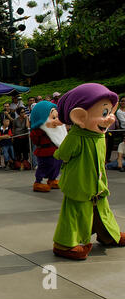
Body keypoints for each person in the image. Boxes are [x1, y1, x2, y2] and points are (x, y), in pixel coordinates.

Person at [53, 83, 125, 260]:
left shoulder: (99, 135)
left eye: (109, 113)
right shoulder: (77, 136)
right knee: (75, 212)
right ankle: (64, 244)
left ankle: (108, 235)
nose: (109, 119)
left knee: (102, 209)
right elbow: (61, 154)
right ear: (80, 117)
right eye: (103, 114)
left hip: (97, 183)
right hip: (79, 183)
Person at [30, 101, 67, 192]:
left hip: (56, 150)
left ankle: (52, 179)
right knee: (44, 165)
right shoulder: (39, 129)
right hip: (45, 151)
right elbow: (35, 139)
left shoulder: (58, 129)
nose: (57, 119)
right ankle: (38, 182)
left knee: (56, 165)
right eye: (53, 117)